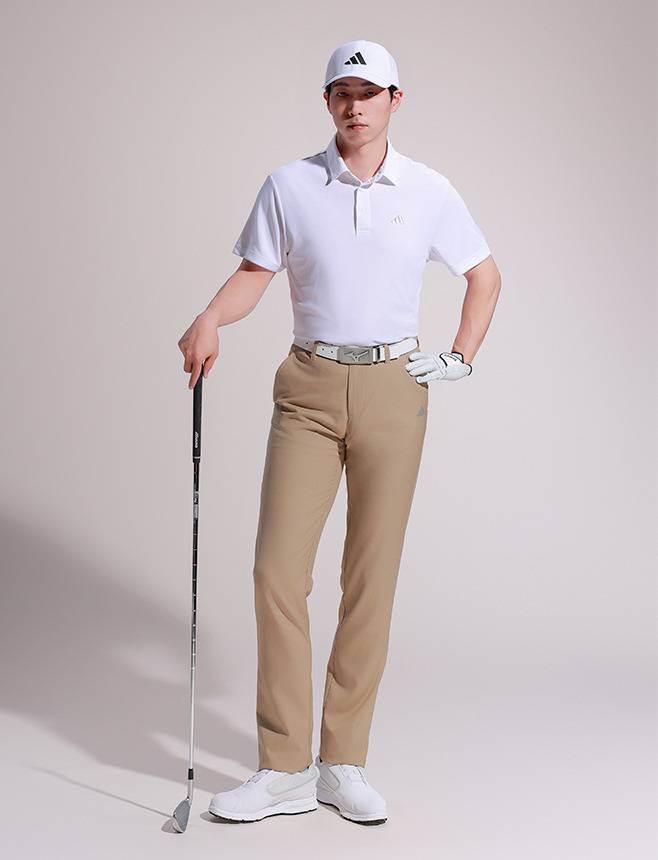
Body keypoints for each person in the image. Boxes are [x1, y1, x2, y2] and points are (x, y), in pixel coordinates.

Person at [177, 38, 502, 826]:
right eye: (342, 94)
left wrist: (460, 355)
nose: (355, 107)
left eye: (369, 93)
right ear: (327, 102)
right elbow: (255, 273)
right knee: (276, 573)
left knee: (370, 578)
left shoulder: (428, 189)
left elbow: (484, 274)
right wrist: (211, 317)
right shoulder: (289, 185)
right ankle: (285, 766)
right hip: (309, 387)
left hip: (395, 387)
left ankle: (342, 761)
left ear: (395, 99)